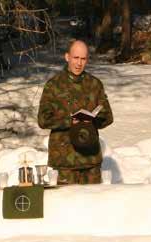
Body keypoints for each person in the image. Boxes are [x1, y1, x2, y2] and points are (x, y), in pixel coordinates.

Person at [37, 40, 113, 185]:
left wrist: (92, 120)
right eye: (75, 58)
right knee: (66, 206)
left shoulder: (95, 84)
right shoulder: (54, 85)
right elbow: (43, 120)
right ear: (67, 57)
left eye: (83, 59)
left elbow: (108, 117)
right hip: (64, 160)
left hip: (90, 159)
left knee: (93, 205)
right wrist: (69, 121)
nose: (79, 63)